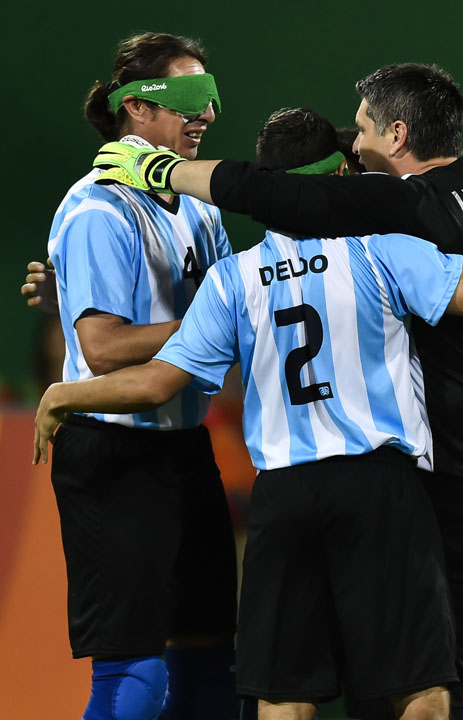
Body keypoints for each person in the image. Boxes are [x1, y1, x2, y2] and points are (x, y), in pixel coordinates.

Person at [36, 105, 463, 720]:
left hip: (282, 499)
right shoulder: (384, 251)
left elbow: (154, 384)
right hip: (379, 488)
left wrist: (63, 394)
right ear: (337, 180)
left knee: (283, 700)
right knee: (420, 692)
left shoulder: (234, 278)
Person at [43, 32, 237, 720]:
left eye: (210, 98)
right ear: (137, 109)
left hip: (185, 448)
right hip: (115, 452)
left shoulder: (201, 206)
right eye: (189, 98)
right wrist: (225, 319)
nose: (206, 114)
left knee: (213, 664)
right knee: (137, 679)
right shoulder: (100, 208)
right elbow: (102, 346)